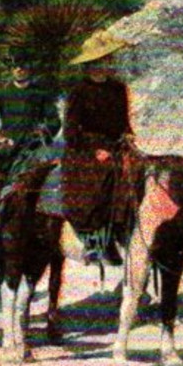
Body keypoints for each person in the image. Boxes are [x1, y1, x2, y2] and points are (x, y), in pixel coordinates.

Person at [61, 32, 136, 264]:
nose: (103, 65)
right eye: (98, 62)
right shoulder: (79, 92)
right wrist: (95, 150)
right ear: (89, 65)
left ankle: (131, 230)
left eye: (106, 60)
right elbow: (71, 132)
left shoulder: (118, 89)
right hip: (86, 149)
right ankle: (98, 238)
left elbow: (124, 121)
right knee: (100, 179)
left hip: (116, 145)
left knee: (140, 172)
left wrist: (128, 133)